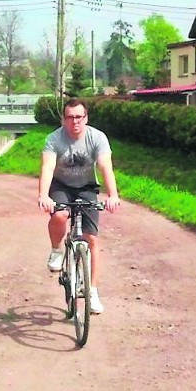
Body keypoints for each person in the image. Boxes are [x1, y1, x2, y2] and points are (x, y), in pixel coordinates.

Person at [37, 99, 120, 314]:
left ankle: (91, 291)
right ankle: (56, 250)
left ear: (86, 118)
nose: (75, 121)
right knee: (60, 215)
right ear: (64, 119)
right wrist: (43, 195)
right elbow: (48, 167)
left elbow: (105, 166)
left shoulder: (97, 137)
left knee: (91, 239)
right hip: (61, 186)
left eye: (79, 117)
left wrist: (112, 194)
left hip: (86, 188)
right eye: (70, 117)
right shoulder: (53, 139)